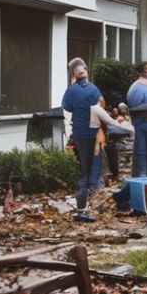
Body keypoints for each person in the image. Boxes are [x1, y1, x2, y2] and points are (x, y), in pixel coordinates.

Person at [62, 58, 102, 222]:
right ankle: (88, 204)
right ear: (85, 71)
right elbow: (100, 103)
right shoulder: (93, 89)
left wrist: (73, 85)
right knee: (93, 167)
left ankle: (82, 207)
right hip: (93, 132)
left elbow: (66, 106)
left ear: (73, 74)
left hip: (79, 133)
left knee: (84, 168)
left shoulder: (71, 91)